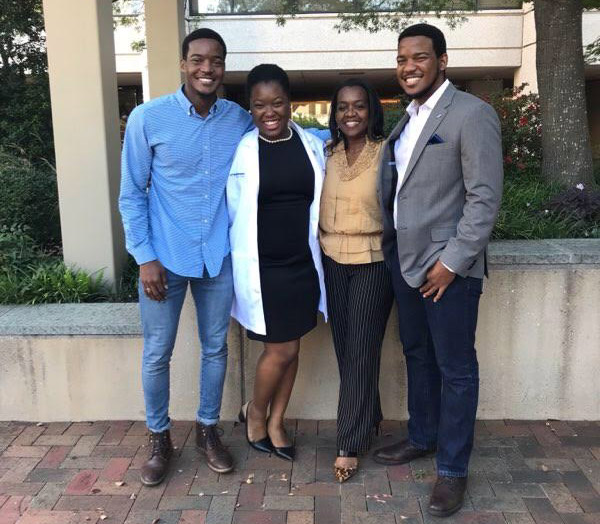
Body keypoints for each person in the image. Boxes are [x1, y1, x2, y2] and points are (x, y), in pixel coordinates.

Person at [373, 23, 503, 517]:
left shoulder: (472, 114)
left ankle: (452, 471)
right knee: (417, 356)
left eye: (420, 57)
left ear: (442, 61)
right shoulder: (406, 119)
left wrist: (451, 263)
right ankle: (423, 436)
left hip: (448, 270)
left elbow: (484, 199)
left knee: (456, 369)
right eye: (403, 58)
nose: (409, 66)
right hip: (406, 266)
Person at [119, 28, 254, 486]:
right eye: (198, 59)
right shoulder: (147, 118)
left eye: (215, 61)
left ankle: (207, 430)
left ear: (223, 66)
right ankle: (159, 437)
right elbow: (131, 194)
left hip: (217, 256)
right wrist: (144, 257)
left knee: (215, 348)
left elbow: (279, 135)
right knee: (158, 352)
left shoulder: (239, 119)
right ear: (183, 63)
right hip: (164, 259)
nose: (207, 69)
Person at [227, 64, 327, 461]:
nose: (269, 112)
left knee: (294, 347)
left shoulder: (311, 144)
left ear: (290, 103)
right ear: (249, 109)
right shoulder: (242, 151)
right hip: (264, 269)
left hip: (303, 264)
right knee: (280, 350)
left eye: (278, 103)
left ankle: (276, 421)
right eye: (259, 105)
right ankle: (255, 413)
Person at [319, 79, 393, 482]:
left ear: (372, 110)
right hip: (331, 258)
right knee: (345, 347)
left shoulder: (387, 153)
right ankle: (373, 414)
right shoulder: (325, 153)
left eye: (359, 106)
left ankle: (349, 440)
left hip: (373, 259)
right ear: (334, 113)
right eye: (343, 106)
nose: (351, 113)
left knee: (362, 349)